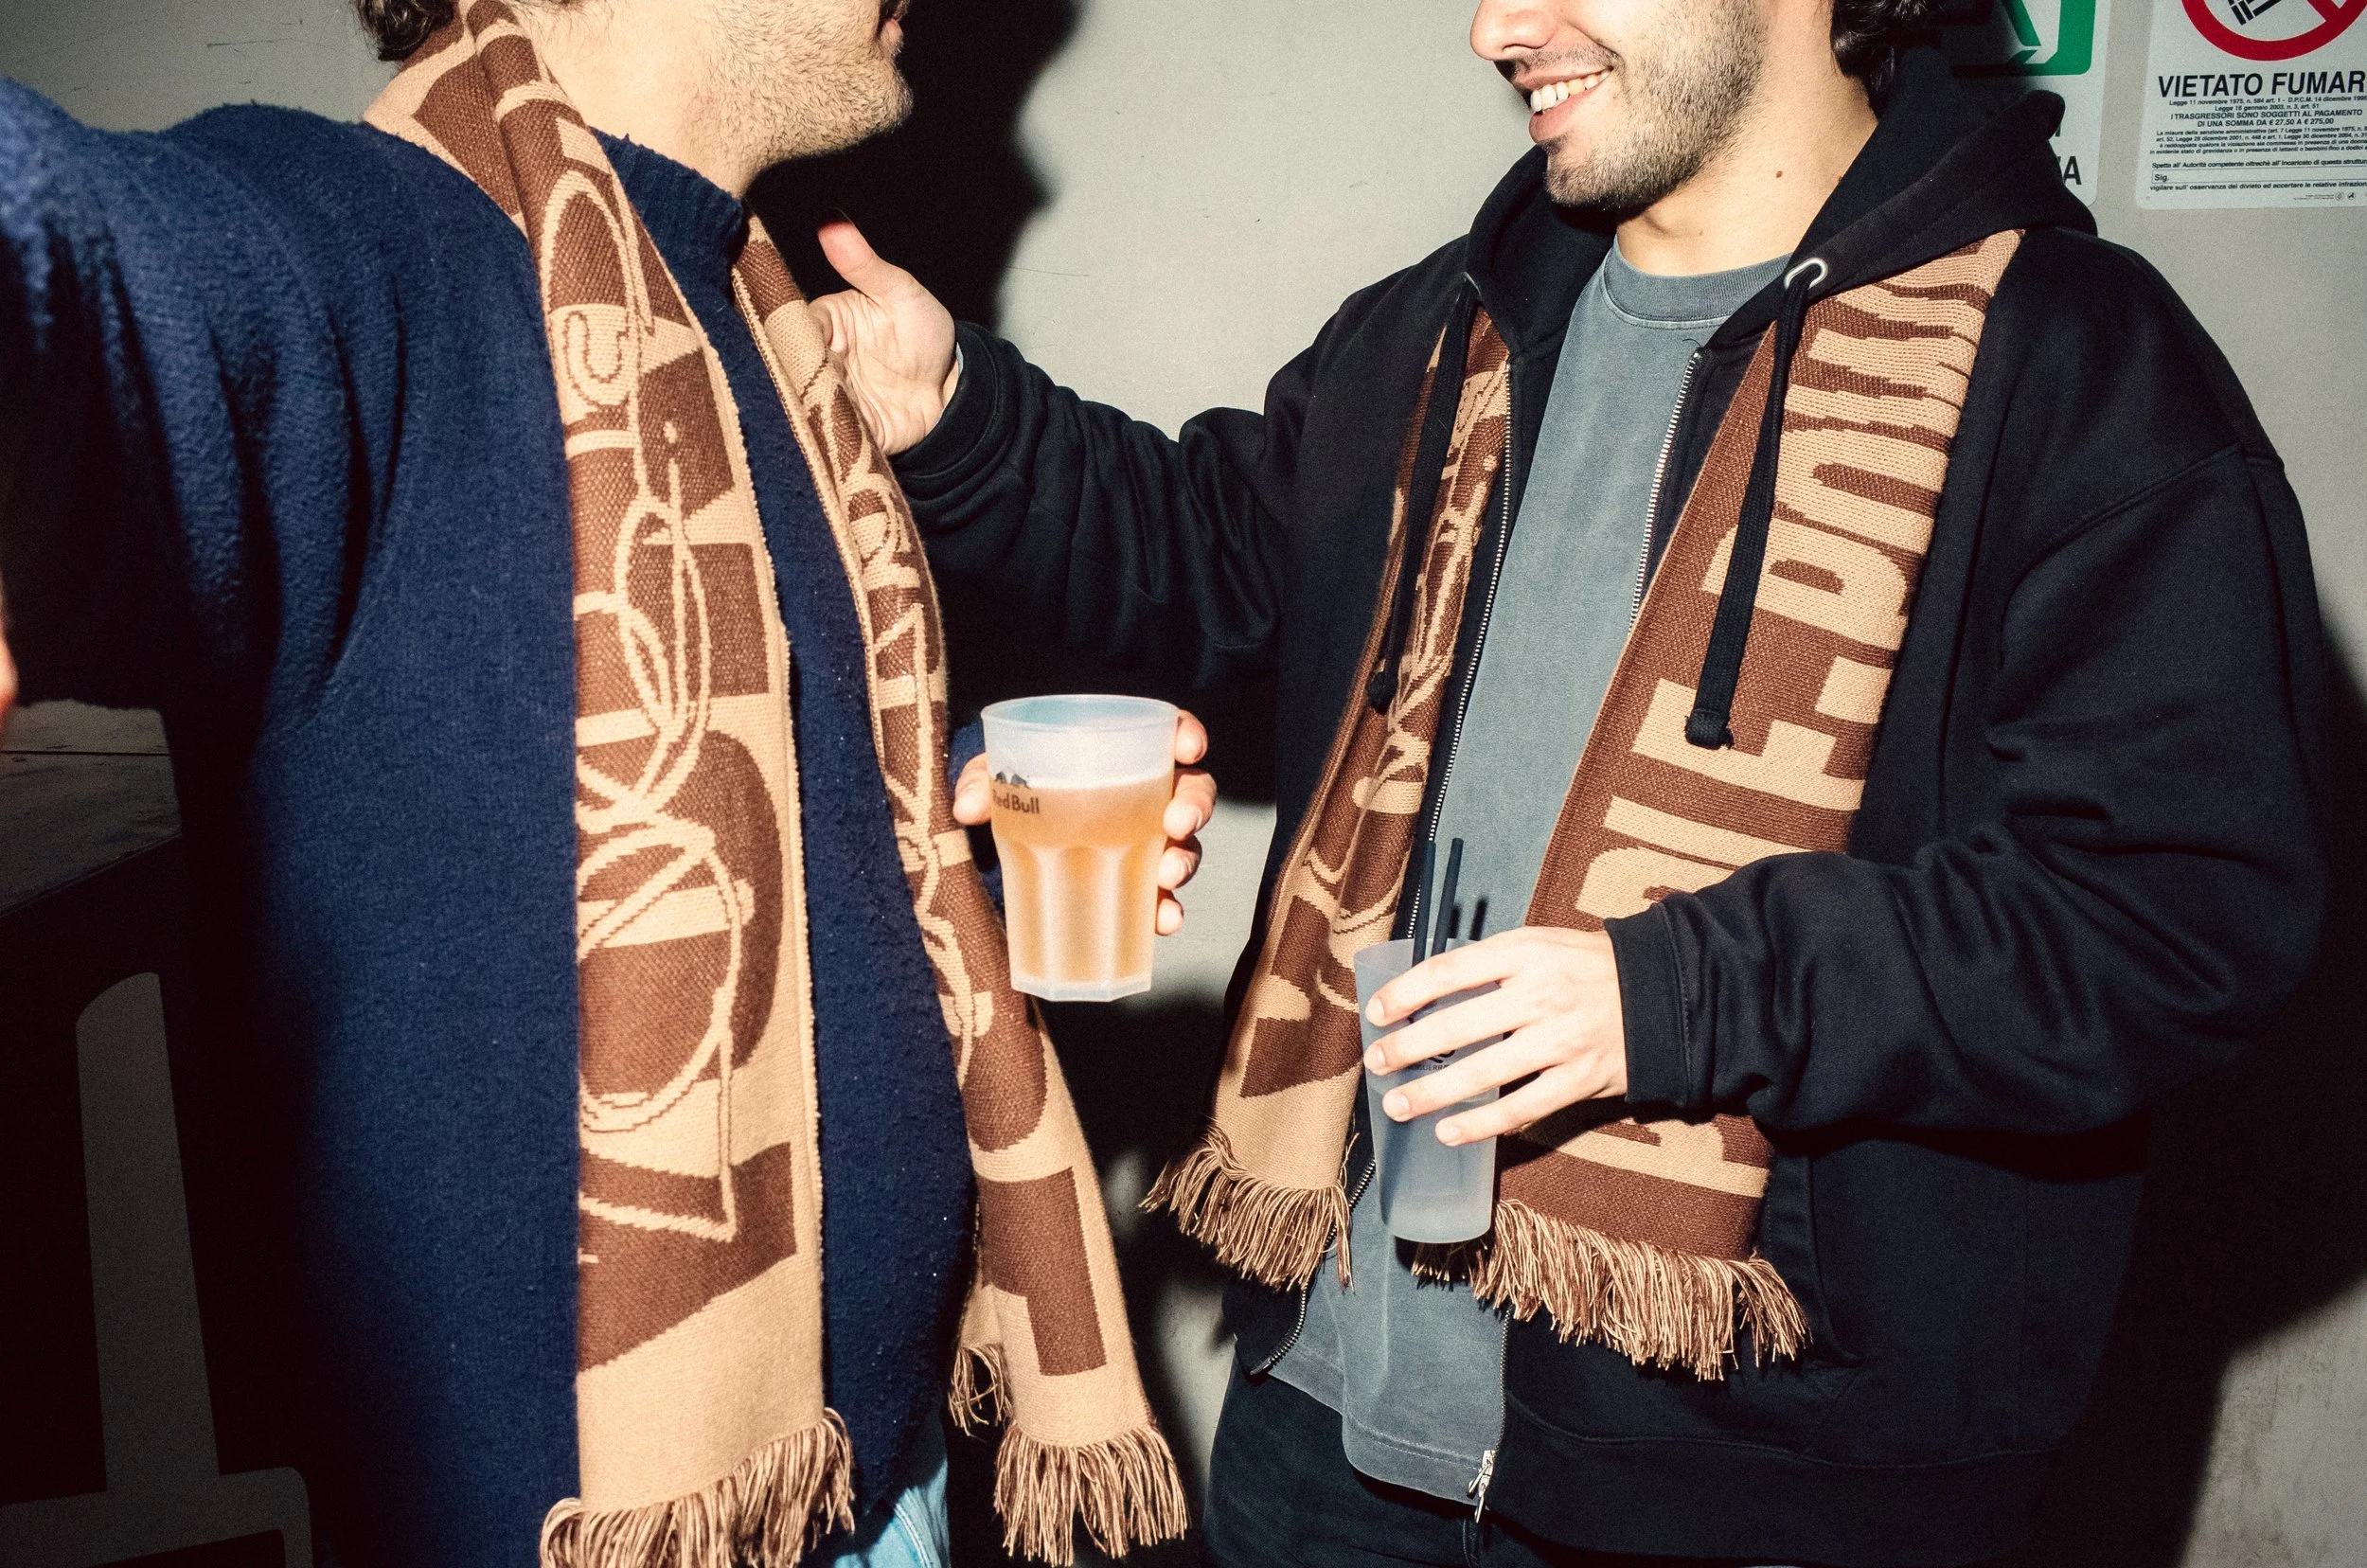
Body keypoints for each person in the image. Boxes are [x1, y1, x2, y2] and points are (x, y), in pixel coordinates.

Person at [813, 0, 2330, 1562]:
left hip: (1759, 1489)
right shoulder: (1449, 326)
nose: (1494, 27)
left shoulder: (2078, 362)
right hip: (1325, 1429)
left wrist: (1675, 1001)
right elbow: (1202, 545)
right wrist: (952, 420)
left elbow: (2175, 913)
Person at [0, 1, 1210, 1565]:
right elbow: (111, 275)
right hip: (606, 1528)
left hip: (881, 1468)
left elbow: (680, 768)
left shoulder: (753, 322)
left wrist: (958, 808)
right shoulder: (368, 245)